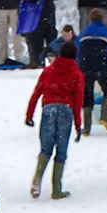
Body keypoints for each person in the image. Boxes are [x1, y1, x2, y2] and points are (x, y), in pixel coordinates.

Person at [24, 40, 83, 199]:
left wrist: (29, 115)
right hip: (65, 111)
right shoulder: (76, 74)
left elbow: (36, 93)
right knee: (61, 151)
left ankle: (37, 179)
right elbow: (78, 101)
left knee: (45, 149)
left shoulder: (48, 71)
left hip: (48, 110)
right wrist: (78, 125)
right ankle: (56, 189)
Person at [75, 10, 107, 137]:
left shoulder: (83, 33)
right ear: (102, 19)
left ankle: (86, 128)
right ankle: (104, 116)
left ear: (90, 19)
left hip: (85, 67)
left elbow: (77, 50)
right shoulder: (106, 33)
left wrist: (79, 63)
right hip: (101, 66)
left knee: (87, 94)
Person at [21, 0, 64, 68]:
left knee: (51, 37)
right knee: (35, 38)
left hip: (48, 12)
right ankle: (37, 62)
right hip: (35, 14)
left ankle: (52, 62)